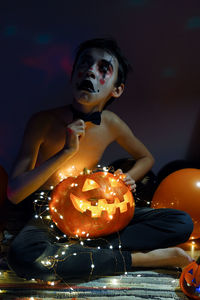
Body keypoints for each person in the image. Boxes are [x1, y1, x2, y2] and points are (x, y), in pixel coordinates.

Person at [6, 38, 193, 282]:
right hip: (51, 214)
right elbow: (14, 193)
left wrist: (126, 179)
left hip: (98, 213)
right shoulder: (42, 121)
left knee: (181, 223)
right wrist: (66, 152)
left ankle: (79, 253)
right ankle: (141, 259)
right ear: (73, 74)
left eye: (103, 68)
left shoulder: (111, 123)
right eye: (85, 63)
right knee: (23, 257)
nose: (91, 71)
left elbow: (146, 157)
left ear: (117, 89)